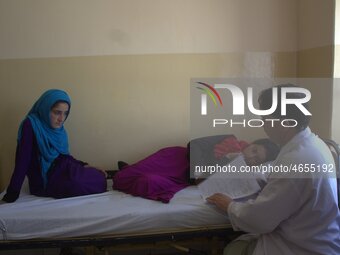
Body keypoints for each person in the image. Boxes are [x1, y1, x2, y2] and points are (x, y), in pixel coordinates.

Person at [207, 84, 340, 255]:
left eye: (265, 118)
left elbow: (259, 220)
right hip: (317, 237)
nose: (263, 124)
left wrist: (229, 205)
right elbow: (282, 181)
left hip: (300, 248)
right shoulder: (313, 144)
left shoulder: (296, 159)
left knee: (232, 250)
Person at [1, 89, 107, 204]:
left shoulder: (58, 129)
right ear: (45, 108)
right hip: (46, 181)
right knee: (78, 183)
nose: (61, 119)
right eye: (57, 112)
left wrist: (84, 165)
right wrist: (12, 193)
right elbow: (23, 160)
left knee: (98, 177)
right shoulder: (31, 124)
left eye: (65, 113)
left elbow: (64, 157)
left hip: (63, 168)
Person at [113, 137, 279, 203]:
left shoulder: (241, 173)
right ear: (250, 144)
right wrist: (201, 170)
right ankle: (128, 169)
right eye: (254, 150)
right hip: (177, 158)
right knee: (121, 178)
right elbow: (195, 144)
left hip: (182, 178)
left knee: (148, 182)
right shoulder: (230, 139)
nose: (252, 157)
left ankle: (131, 168)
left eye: (257, 160)